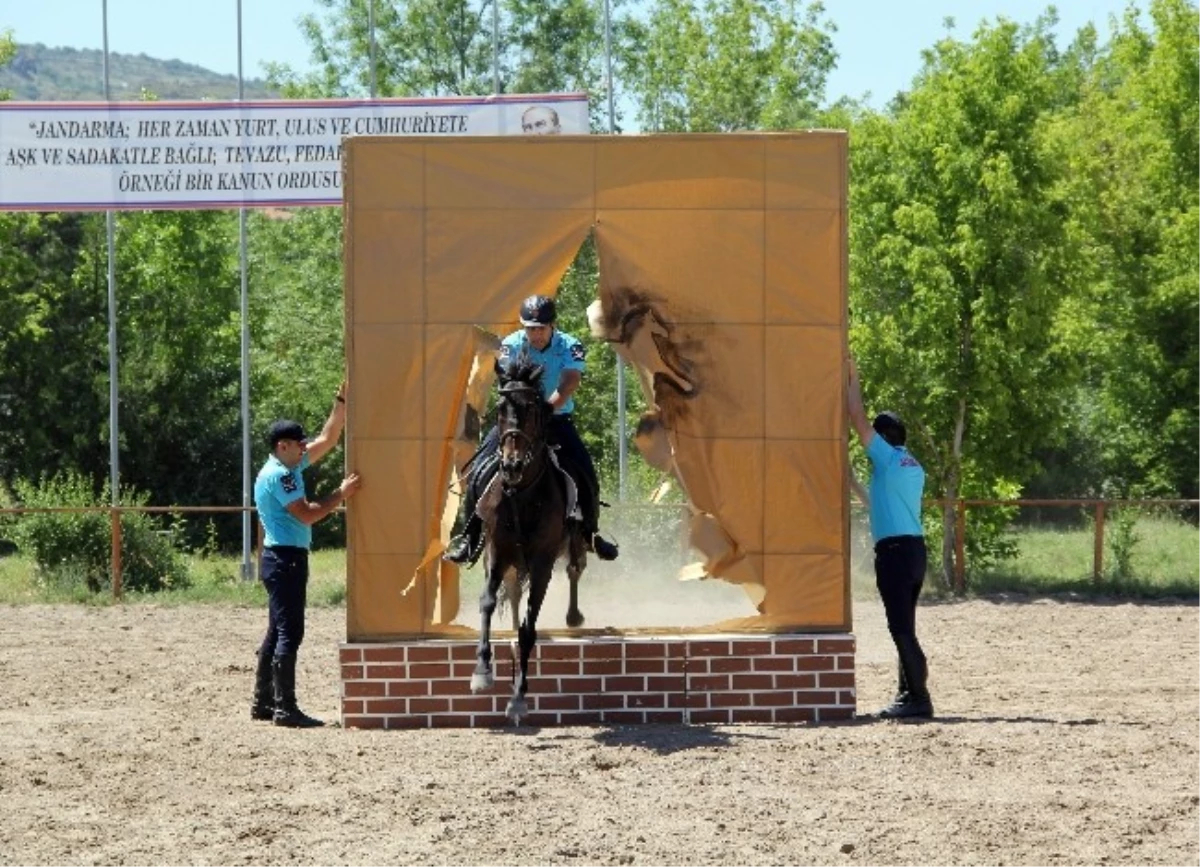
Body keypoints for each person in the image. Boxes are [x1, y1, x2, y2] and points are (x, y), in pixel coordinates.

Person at [444, 294, 619, 565]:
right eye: (529, 328)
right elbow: (508, 381)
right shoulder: (511, 345)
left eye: (540, 328)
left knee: (586, 471)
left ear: (553, 325)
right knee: (478, 469)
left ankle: (590, 533)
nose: (535, 334)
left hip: (555, 418)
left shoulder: (569, 346)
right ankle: (471, 536)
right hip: (515, 422)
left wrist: (547, 408)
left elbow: (570, 381)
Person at [251, 383, 362, 728]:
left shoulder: (289, 465)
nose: (305, 447)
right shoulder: (283, 476)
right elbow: (309, 513)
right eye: (299, 444)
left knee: (276, 631)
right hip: (286, 559)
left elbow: (329, 438)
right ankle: (285, 708)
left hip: (279, 558)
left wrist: (341, 401)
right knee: (290, 632)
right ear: (282, 446)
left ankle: (263, 702)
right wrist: (340, 494)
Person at [846, 357, 933, 719]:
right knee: (906, 628)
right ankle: (906, 693)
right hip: (914, 551)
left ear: (884, 438)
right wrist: (851, 481)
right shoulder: (909, 466)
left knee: (900, 630)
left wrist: (852, 375)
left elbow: (856, 417)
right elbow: (877, 503)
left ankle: (919, 699)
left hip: (895, 554)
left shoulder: (885, 458)